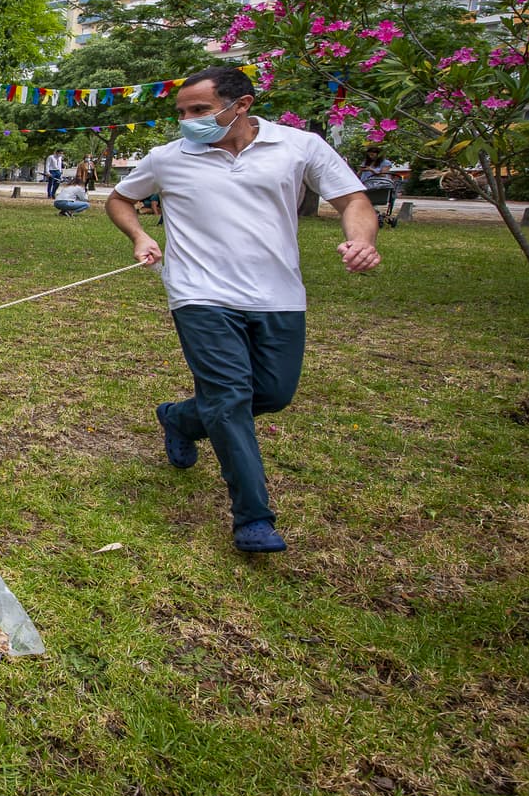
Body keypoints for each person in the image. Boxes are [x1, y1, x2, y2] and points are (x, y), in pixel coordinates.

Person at [107, 66, 379, 554]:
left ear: (242, 105)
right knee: (230, 397)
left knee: (272, 393)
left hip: (277, 294)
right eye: (182, 112)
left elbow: (352, 198)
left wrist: (360, 240)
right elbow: (121, 199)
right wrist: (141, 235)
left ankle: (181, 419)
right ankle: (253, 518)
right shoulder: (167, 158)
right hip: (198, 293)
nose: (188, 120)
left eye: (199, 110)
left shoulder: (300, 147)